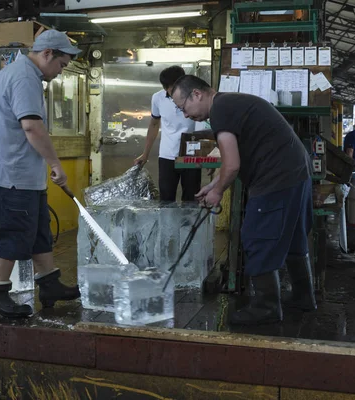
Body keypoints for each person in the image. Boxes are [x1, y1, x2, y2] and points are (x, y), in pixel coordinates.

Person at [170, 75, 317, 325]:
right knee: (292, 235)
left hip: (277, 176)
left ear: (196, 94)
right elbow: (230, 160)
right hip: (296, 172)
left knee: (257, 236)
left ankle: (267, 306)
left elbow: (233, 165)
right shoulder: (230, 104)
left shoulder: (220, 110)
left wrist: (218, 192)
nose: (185, 115)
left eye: (183, 107)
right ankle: (304, 296)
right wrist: (215, 184)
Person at [0, 30, 81, 318]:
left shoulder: (25, 75)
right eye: (61, 65)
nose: (60, 73)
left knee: (38, 232)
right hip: (13, 172)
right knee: (12, 232)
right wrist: (56, 164)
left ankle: (49, 284)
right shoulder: (24, 77)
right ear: (48, 53)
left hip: (24, 173)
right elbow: (31, 127)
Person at [134, 66, 201, 201]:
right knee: (166, 199)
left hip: (191, 155)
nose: (175, 91)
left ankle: (189, 223)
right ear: (165, 88)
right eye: (171, 88)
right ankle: (167, 223)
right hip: (167, 156)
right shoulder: (158, 98)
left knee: (191, 199)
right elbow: (154, 124)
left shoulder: (196, 96)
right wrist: (145, 154)